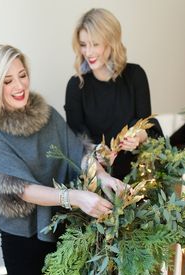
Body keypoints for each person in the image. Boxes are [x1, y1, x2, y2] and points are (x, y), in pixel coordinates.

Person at [0, 44, 126, 275]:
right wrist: (75, 197)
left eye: (22, 75)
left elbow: (77, 152)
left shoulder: (46, 112)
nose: (19, 86)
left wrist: (104, 176)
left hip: (63, 218)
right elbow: (23, 189)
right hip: (22, 231)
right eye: (7, 81)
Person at [65, 8, 163, 180]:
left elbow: (146, 124)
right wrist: (97, 153)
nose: (88, 52)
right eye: (83, 44)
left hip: (135, 175)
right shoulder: (76, 86)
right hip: (95, 178)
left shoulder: (135, 75)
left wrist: (137, 137)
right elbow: (76, 141)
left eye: (95, 44)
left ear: (111, 42)